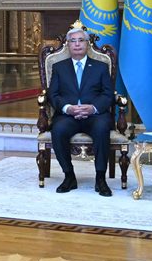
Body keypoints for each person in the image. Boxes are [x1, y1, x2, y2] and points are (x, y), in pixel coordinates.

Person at [48, 22, 114, 197]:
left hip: (94, 115)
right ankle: (69, 176)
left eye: (81, 40)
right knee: (58, 130)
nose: (77, 44)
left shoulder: (100, 67)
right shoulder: (59, 67)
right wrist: (68, 108)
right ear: (68, 45)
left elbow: (108, 94)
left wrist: (93, 108)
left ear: (87, 44)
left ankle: (100, 178)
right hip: (68, 116)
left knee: (102, 128)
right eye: (73, 41)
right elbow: (53, 95)